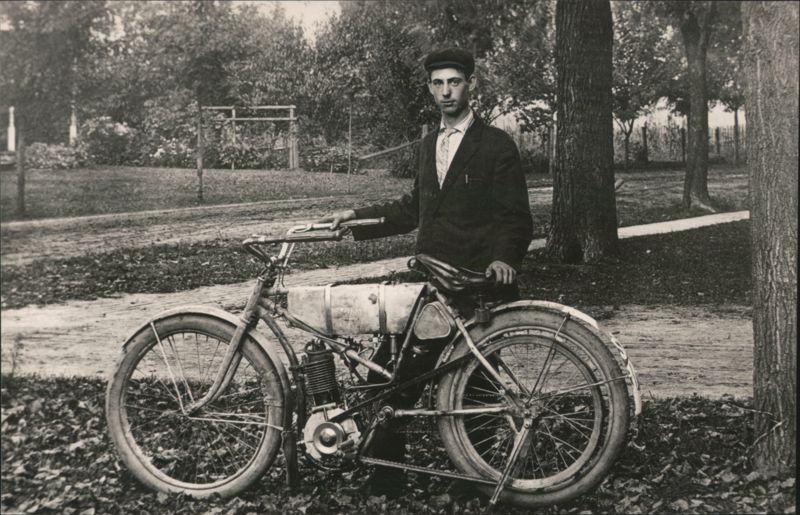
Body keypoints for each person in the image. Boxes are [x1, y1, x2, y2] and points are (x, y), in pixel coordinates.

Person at [320, 47, 533, 495]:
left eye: (453, 82)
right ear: (429, 88)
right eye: (437, 84)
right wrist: (354, 215)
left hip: (475, 285)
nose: (445, 92)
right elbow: (411, 208)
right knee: (388, 376)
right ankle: (385, 475)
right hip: (428, 285)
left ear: (470, 85)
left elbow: (516, 217)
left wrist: (504, 260)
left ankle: (478, 478)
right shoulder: (427, 145)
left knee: (473, 385)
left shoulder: (495, 145)